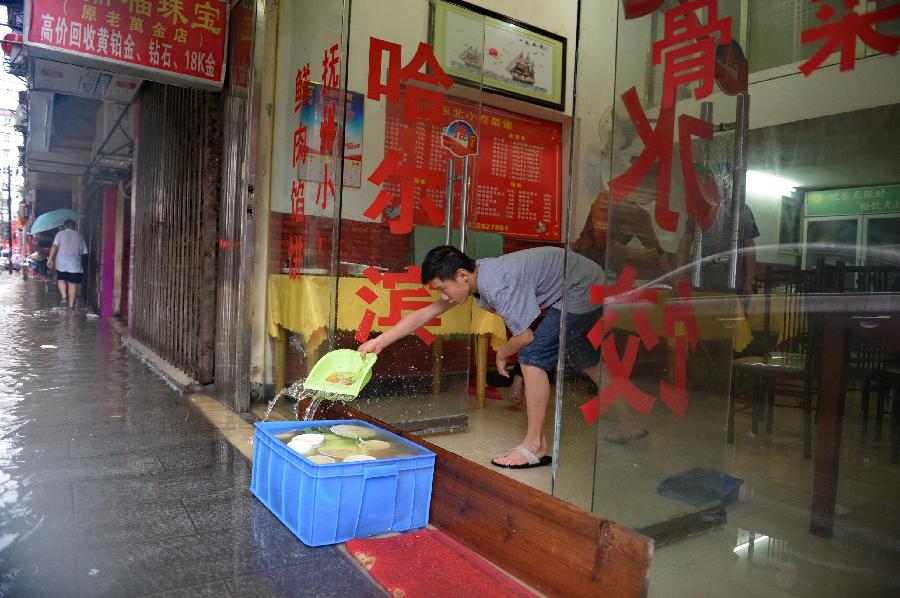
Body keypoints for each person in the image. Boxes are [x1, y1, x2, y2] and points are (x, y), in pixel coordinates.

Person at [358, 245, 646, 469]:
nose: (443, 297)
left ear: (461, 275)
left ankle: (535, 446)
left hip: (580, 289)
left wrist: (502, 352)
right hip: (583, 283)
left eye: (443, 289)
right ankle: (630, 423)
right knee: (588, 361)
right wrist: (380, 341)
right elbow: (426, 313)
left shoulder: (497, 283)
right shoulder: (477, 276)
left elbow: (526, 338)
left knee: (533, 357)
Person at [47, 219, 88, 309]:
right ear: (74, 226)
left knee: (61, 279)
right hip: (74, 263)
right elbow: (84, 252)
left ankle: (64, 298)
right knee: (72, 283)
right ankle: (71, 306)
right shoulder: (79, 236)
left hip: (61, 262)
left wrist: (50, 259)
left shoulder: (59, 234)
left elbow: (54, 246)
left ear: (65, 226)